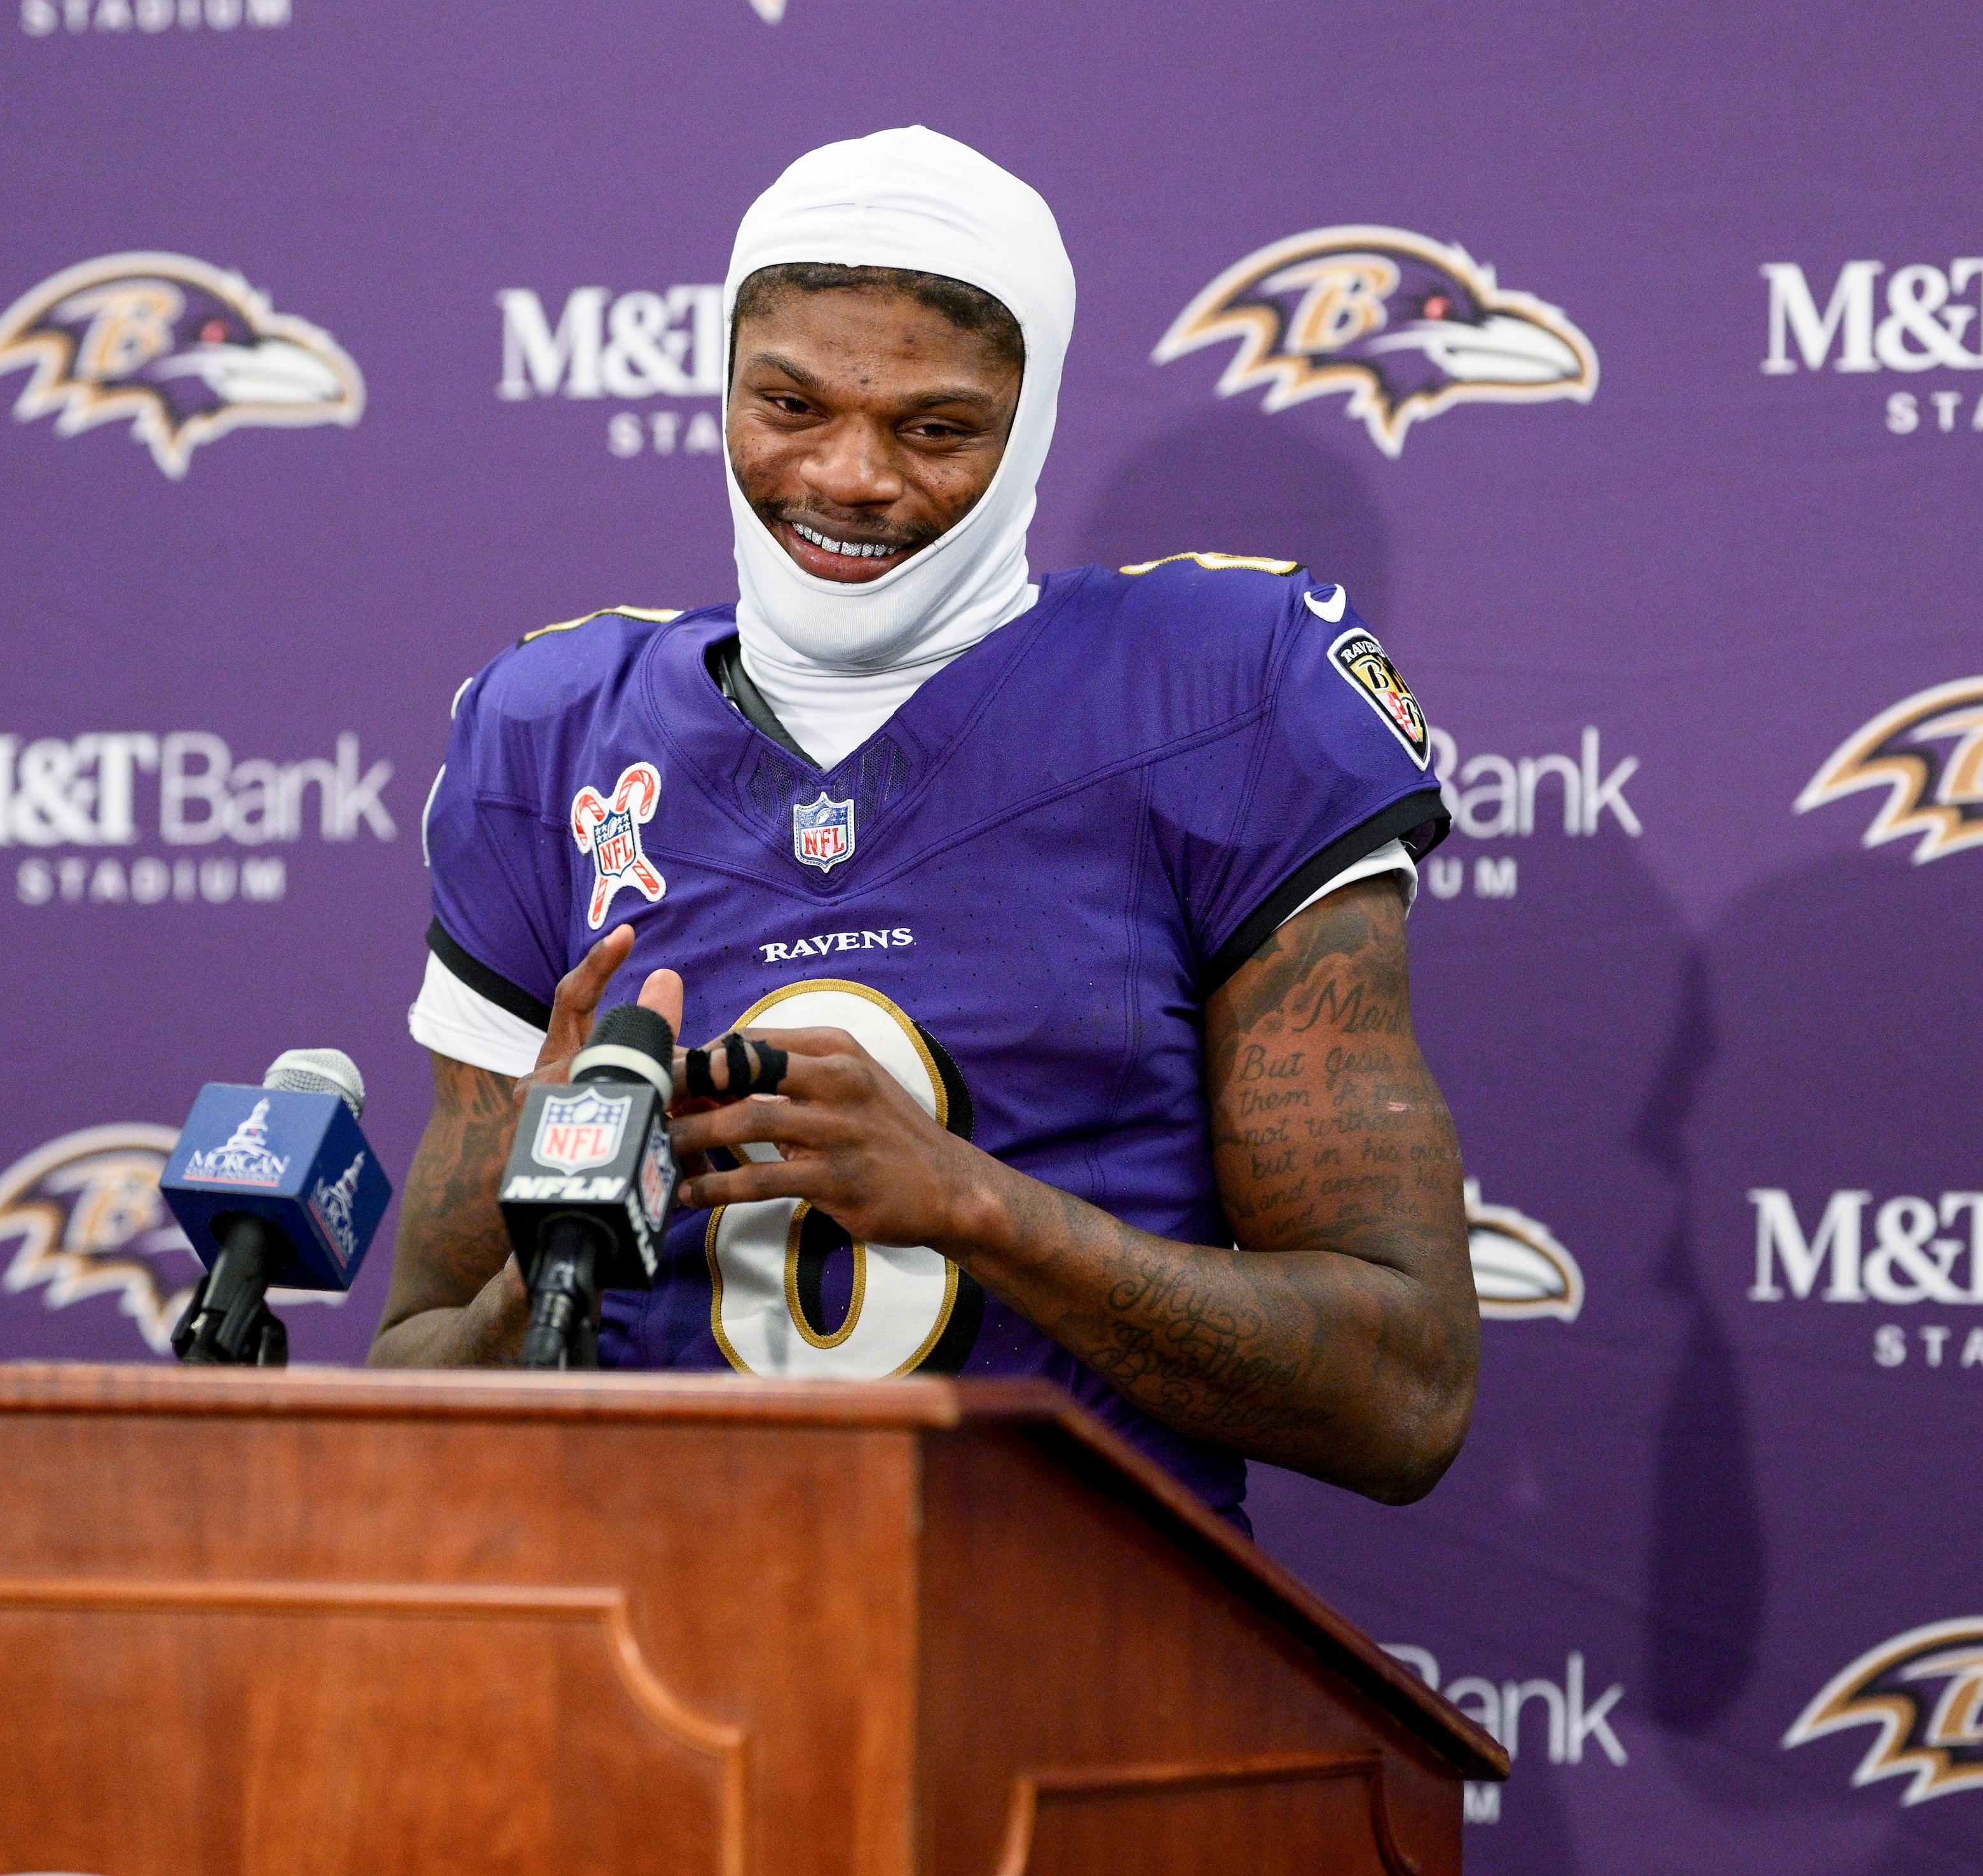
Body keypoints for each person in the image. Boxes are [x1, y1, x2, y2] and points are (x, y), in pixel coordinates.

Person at [373, 126, 1476, 1520]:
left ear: (1036, 421)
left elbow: (1404, 1393)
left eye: (933, 427)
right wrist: (568, 1237)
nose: (847, 476)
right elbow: (414, 1375)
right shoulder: (554, 732)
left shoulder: (1221, 686)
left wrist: (972, 1203)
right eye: (788, 404)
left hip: (1062, 1652)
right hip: (648, 1643)